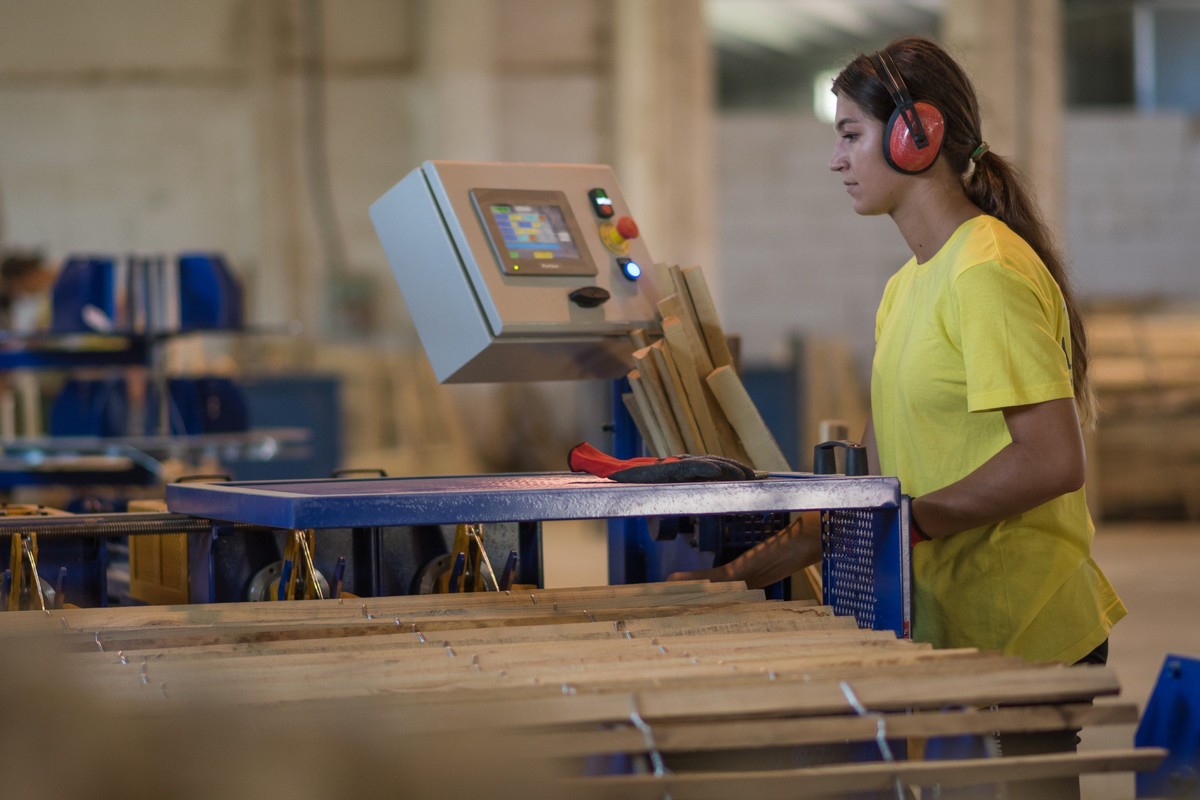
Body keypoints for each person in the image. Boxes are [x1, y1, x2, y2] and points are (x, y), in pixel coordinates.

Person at [671, 35, 1126, 670]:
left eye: (851, 135)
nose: (836, 160)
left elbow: (1051, 462)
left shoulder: (985, 271)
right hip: (945, 621)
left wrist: (909, 524)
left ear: (916, 136)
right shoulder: (906, 286)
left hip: (1021, 625)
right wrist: (728, 582)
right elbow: (867, 488)